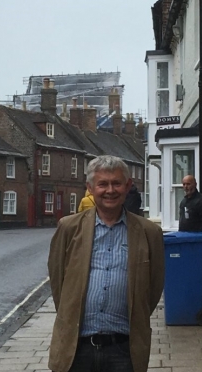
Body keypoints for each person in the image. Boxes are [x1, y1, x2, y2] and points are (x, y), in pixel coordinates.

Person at [48, 155, 164, 372]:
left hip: (124, 349)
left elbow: (154, 286)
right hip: (76, 348)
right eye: (103, 184)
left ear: (128, 186)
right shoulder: (68, 228)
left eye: (117, 183)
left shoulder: (149, 232)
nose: (110, 190)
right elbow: (57, 282)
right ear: (90, 188)